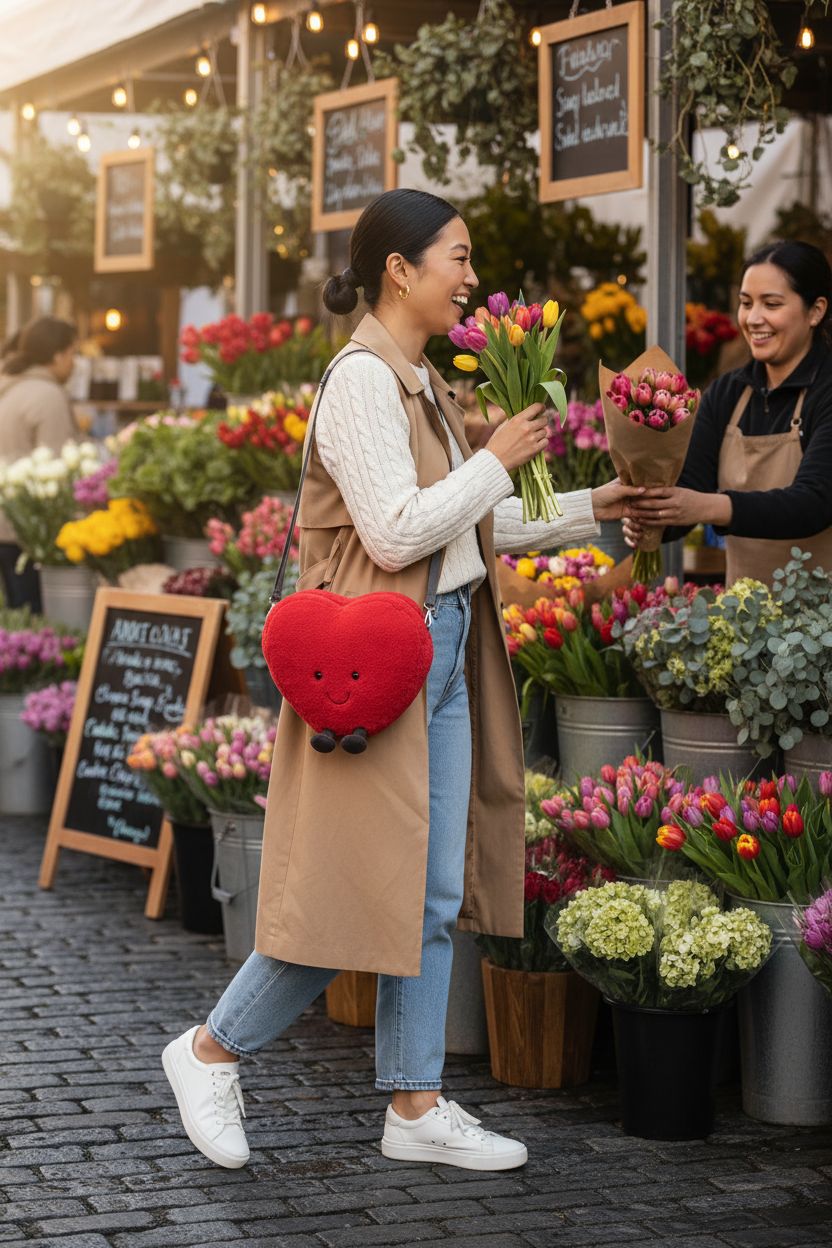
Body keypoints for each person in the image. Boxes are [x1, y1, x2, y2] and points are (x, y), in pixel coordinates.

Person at [162, 189, 646, 1172]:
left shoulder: (422, 380)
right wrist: (500, 458)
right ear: (399, 268)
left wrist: (600, 501)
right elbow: (391, 531)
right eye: (457, 259)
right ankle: (211, 1049)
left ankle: (415, 1103)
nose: (470, 281)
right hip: (371, 671)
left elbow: (466, 527)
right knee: (348, 887)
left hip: (444, 651)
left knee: (428, 894)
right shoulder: (360, 382)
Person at [624, 240, 832, 584]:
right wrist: (655, 518)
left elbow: (813, 503)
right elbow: (692, 484)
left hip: (820, 620)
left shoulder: (824, 392)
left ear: (816, 311)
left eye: (772, 304)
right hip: (745, 616)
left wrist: (706, 506)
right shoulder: (728, 393)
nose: (753, 319)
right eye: (746, 303)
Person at [0, 315, 78, 609]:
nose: (75, 363)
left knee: (14, 617)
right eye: (73, 354)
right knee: (36, 614)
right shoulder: (47, 395)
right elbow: (59, 466)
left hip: (5, 522)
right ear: (57, 355)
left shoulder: (7, 385)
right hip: (30, 531)